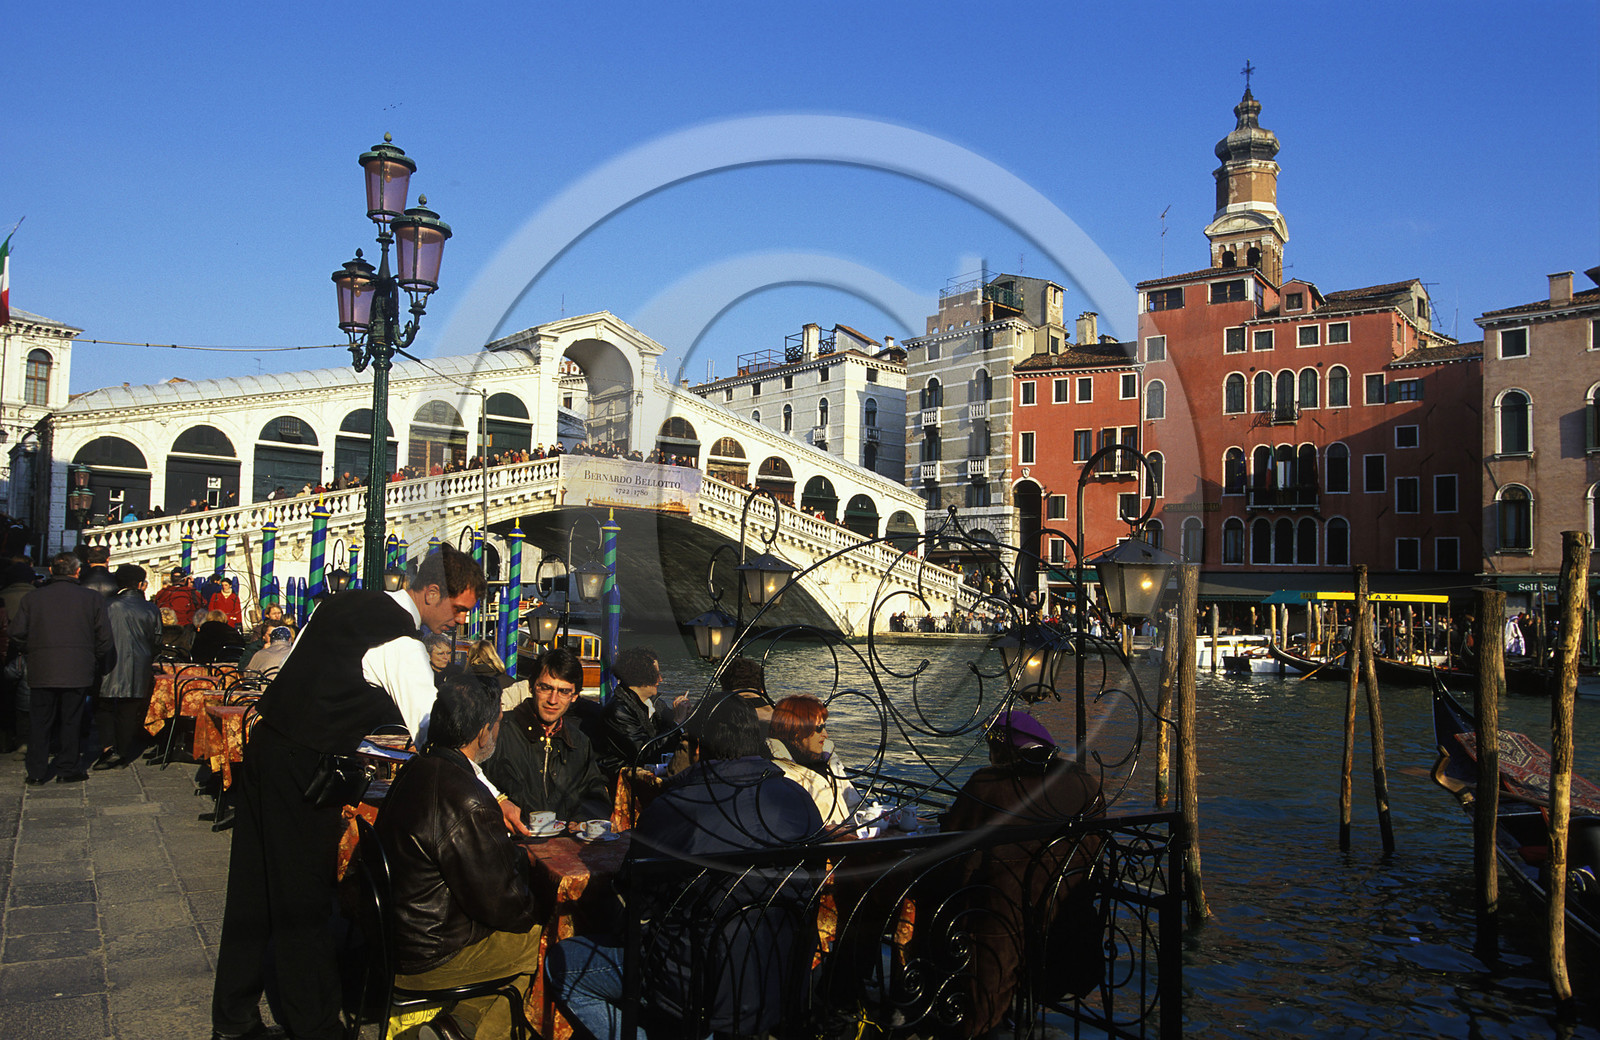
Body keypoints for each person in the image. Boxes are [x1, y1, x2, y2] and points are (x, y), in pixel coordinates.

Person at [210, 544, 493, 1040]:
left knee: (251, 891)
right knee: (305, 904)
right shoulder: (402, 646)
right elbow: (438, 737)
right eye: (460, 608)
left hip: (265, 748)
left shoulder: (336, 604)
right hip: (303, 768)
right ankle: (315, 1027)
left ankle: (233, 1019)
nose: (461, 621)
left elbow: (298, 675)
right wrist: (494, 796)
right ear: (432, 593)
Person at [546, 694, 823, 1039]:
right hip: (778, 975)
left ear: (696, 749)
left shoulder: (674, 807)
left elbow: (634, 906)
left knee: (563, 964)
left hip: (694, 986)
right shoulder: (800, 799)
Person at [377, 674, 546, 1040]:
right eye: (497, 725)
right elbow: (503, 906)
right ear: (483, 732)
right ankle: (470, 1033)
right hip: (431, 954)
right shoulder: (466, 797)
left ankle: (455, 1027)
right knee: (548, 943)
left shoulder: (415, 770)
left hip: (395, 936)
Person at [937, 711, 1107, 1037]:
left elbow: (954, 850)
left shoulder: (988, 786)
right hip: (1065, 915)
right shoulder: (1082, 781)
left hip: (998, 925)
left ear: (1003, 751)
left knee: (930, 899)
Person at [9, 552, 114, 785]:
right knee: (71, 720)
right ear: (77, 572)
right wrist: (89, 656)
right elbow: (105, 638)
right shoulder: (91, 599)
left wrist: (33, 649)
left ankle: (36, 772)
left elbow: (16, 633)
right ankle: (67, 767)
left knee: (40, 722)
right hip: (77, 668)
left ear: (50, 570)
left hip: (42, 668)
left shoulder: (33, 598)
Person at [483, 646, 610, 825]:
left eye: (564, 691)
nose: (553, 700)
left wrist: (581, 821)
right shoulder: (498, 732)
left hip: (565, 843)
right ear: (531, 686)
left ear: (574, 696)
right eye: (546, 688)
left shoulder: (580, 742)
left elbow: (597, 794)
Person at [91, 565, 162, 770]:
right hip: (139, 665)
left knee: (103, 706)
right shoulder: (151, 608)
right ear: (141, 584)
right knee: (129, 709)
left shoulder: (107, 605)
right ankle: (122, 752)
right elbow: (156, 641)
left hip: (108, 662)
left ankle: (107, 747)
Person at [767, 695, 861, 827]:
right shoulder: (779, 771)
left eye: (824, 726)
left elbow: (853, 804)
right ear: (796, 731)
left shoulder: (829, 758)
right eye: (818, 728)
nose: (825, 734)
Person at [592, 646, 676, 780]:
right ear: (640, 677)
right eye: (656, 674)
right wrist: (676, 722)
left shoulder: (656, 704)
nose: (660, 679)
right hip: (622, 781)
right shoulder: (618, 711)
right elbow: (645, 752)